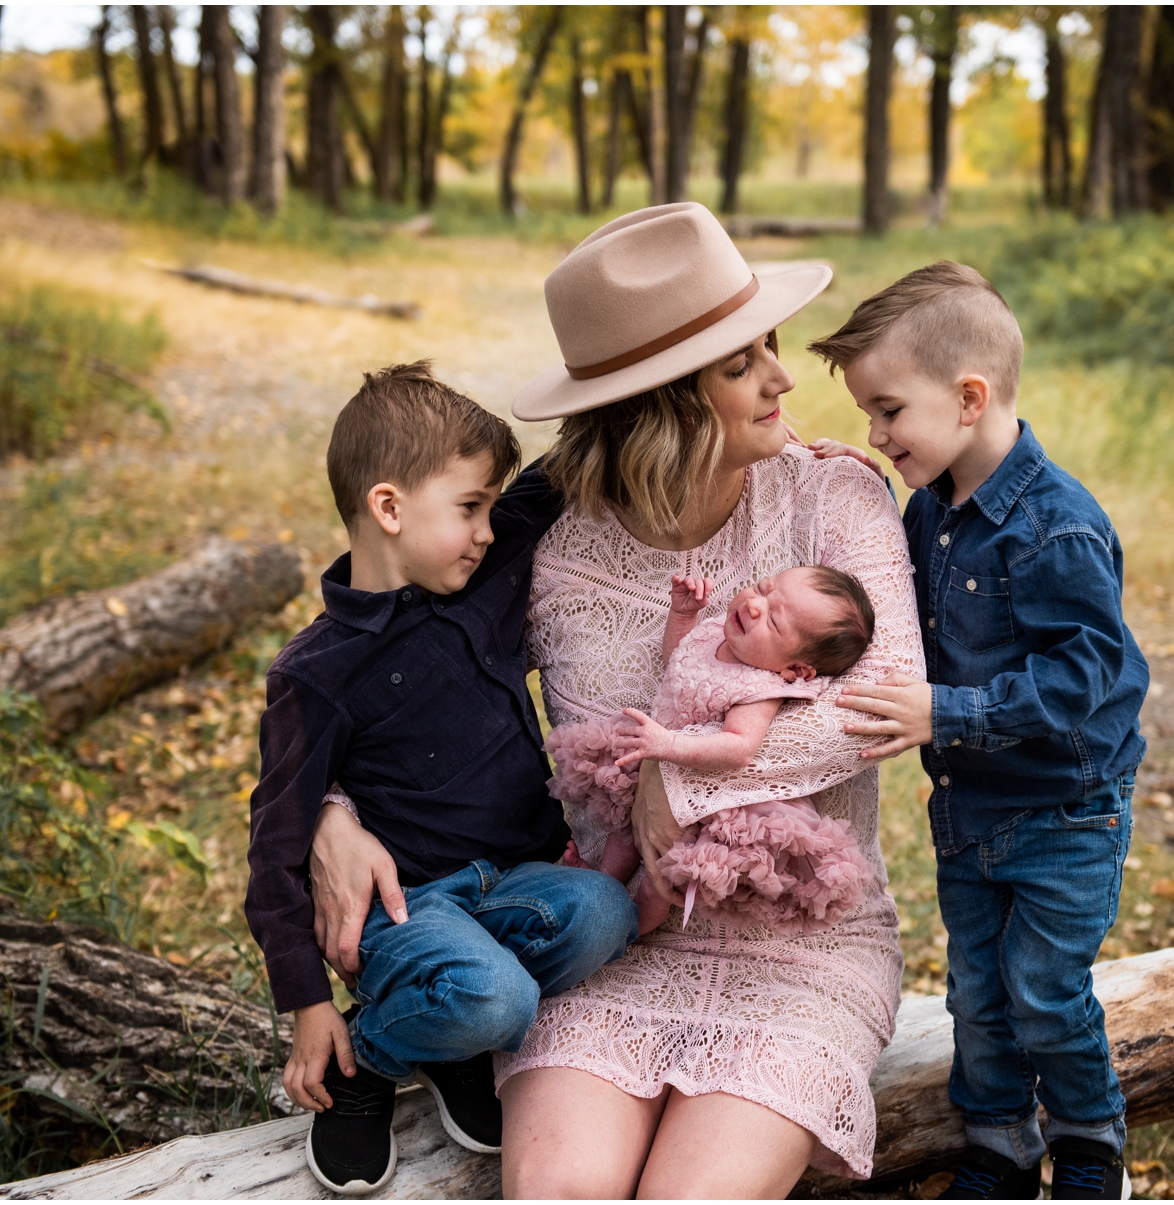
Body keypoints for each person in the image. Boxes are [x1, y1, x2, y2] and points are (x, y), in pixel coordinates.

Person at [307, 203, 925, 1196]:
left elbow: (886, 692)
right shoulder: (549, 555)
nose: (782, 377)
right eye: (742, 363)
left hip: (805, 951)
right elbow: (380, 654)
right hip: (609, 940)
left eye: (766, 345)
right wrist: (330, 807)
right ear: (662, 404)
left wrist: (669, 780)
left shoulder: (831, 499)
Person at [243, 363, 639, 1195]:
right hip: (407, 904)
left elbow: (558, 472)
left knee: (606, 912)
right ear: (388, 508)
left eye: (490, 507)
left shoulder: (480, 578)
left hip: (514, 885)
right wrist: (309, 1005)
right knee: (498, 1002)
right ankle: (370, 1057)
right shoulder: (315, 674)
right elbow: (275, 845)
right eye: (469, 508)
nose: (490, 529)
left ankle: (445, 1027)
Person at [808, 261, 1149, 1200]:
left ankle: (1090, 1143)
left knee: (1044, 991)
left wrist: (945, 711)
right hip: (970, 812)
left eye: (886, 413)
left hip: (1063, 813)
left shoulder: (1056, 529)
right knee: (980, 996)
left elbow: (1086, 677)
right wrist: (852, 487)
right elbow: (894, 604)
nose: (875, 434)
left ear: (969, 397)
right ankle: (999, 1147)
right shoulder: (930, 512)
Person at [550, 567, 879, 937]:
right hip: (658, 756)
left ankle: (633, 926)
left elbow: (738, 748)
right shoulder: (713, 635)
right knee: (629, 829)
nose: (754, 605)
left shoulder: (761, 687)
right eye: (762, 588)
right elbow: (679, 660)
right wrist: (683, 615)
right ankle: (602, 885)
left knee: (665, 870)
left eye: (772, 619)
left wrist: (669, 745)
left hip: (706, 803)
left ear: (795, 669)